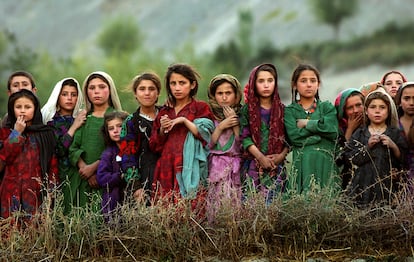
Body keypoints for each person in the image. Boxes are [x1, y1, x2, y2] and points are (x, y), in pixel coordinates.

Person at [149, 63, 214, 204]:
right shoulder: (164, 111)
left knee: (191, 209)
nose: (177, 88)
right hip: (167, 166)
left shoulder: (200, 108)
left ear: (192, 85)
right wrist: (162, 129)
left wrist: (184, 120)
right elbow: (154, 146)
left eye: (182, 83)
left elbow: (206, 136)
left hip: (190, 165)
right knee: (166, 211)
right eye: (173, 83)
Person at [68, 71, 122, 213]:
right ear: (86, 92)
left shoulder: (117, 118)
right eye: (92, 88)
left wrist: (95, 169)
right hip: (82, 179)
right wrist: (84, 168)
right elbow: (73, 148)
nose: (96, 91)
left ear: (110, 90)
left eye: (102, 87)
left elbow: (119, 149)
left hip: (107, 180)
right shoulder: (84, 118)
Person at [0, 89, 58, 220]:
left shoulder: (46, 134)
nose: (22, 110)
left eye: (27, 107)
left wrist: (52, 191)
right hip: (10, 192)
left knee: (34, 233)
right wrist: (16, 133)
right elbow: (4, 158)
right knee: (9, 232)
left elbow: (52, 165)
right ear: (11, 109)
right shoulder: (5, 133)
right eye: (18, 107)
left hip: (35, 193)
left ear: (35, 109)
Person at [344, 89, 407, 207]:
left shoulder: (395, 133)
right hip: (362, 185)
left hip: (387, 186)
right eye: (373, 107)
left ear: (388, 111)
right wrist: (368, 147)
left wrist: (393, 145)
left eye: (382, 107)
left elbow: (403, 159)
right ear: (366, 111)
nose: (377, 111)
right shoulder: (360, 133)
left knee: (385, 213)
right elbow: (350, 159)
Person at [284, 64, 340, 194]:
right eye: (303, 81)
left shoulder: (326, 107)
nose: (309, 84)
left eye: (313, 80)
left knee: (328, 201)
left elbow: (332, 131)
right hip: (303, 165)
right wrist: (318, 135)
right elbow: (295, 138)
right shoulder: (290, 111)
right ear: (294, 84)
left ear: (318, 84)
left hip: (326, 163)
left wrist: (307, 124)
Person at [239, 63, 289, 203]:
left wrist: (280, 156)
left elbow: (289, 139)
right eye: (261, 81)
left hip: (276, 166)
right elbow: (245, 137)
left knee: (276, 204)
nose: (266, 85)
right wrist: (261, 157)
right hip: (253, 166)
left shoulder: (283, 110)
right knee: (252, 205)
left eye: (270, 80)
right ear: (253, 83)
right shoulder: (246, 110)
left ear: (275, 83)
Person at [40, 78, 87, 214]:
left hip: (80, 173)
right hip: (58, 174)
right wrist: (73, 127)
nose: (69, 98)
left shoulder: (82, 118)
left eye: (73, 94)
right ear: (57, 96)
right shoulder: (51, 122)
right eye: (64, 94)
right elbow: (59, 150)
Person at [119, 72, 161, 205]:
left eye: (151, 89)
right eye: (142, 89)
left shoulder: (167, 115)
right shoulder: (131, 122)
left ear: (158, 93)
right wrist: (136, 186)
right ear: (135, 94)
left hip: (168, 174)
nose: (147, 93)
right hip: (144, 177)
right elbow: (127, 156)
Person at [206, 74, 243, 221]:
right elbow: (208, 144)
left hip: (236, 167)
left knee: (236, 206)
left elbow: (243, 144)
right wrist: (221, 126)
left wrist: (234, 122)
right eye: (220, 93)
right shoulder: (209, 116)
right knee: (216, 206)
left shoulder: (243, 115)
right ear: (214, 96)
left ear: (236, 95)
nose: (224, 97)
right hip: (216, 167)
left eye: (228, 93)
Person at [97, 111, 128, 222]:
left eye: (120, 126)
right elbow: (101, 178)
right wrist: (119, 177)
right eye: (111, 128)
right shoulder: (108, 154)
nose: (115, 131)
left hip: (132, 202)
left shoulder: (134, 151)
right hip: (113, 204)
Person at [334, 88, 365, 189]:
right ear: (343, 110)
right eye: (350, 108)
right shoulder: (338, 129)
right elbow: (339, 159)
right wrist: (350, 130)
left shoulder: (375, 123)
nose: (355, 111)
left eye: (358, 105)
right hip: (349, 180)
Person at [395, 82, 414, 191]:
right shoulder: (394, 125)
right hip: (401, 176)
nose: (411, 103)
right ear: (399, 101)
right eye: (407, 98)